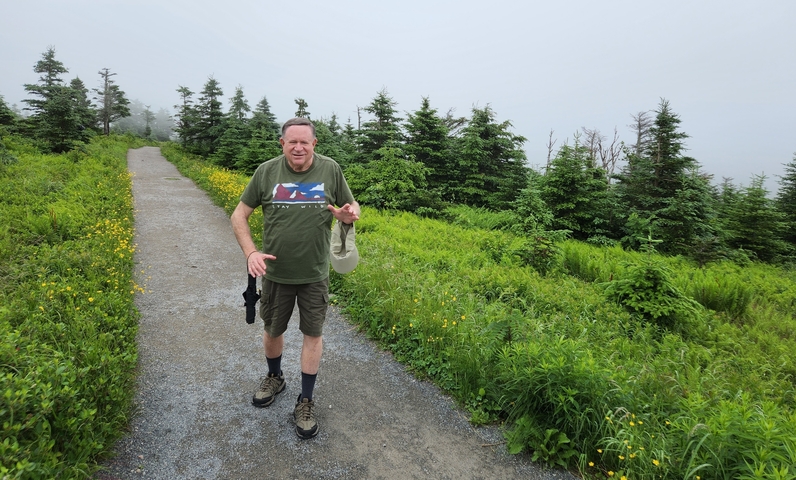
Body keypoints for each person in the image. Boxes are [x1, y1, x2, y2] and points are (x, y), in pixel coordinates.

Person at [231, 117, 360, 439]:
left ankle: (305, 399)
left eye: (305, 142)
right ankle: (275, 377)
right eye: (292, 142)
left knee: (312, 334)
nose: (299, 147)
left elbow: (351, 204)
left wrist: (349, 215)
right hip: (276, 273)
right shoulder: (266, 172)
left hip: (314, 273)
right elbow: (239, 215)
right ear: (283, 144)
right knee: (272, 329)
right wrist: (250, 253)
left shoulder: (330, 169)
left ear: (314, 144)